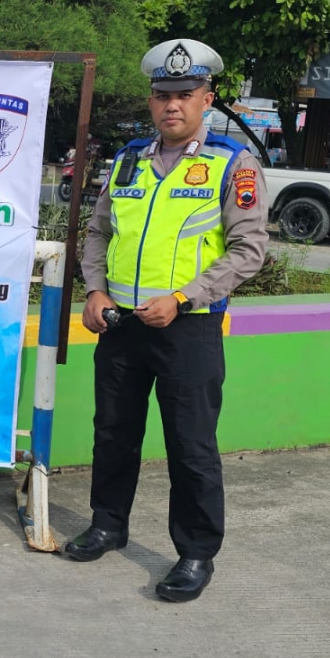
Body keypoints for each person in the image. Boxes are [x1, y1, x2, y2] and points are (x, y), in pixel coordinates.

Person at [66, 39, 269, 603]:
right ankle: (108, 524)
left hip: (189, 329)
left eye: (184, 95)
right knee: (112, 433)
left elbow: (248, 249)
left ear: (207, 98)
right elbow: (101, 232)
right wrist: (95, 290)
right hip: (120, 325)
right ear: (151, 101)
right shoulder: (129, 158)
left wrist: (184, 297)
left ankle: (196, 554)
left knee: (191, 446)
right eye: (162, 96)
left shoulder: (233, 164)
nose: (171, 105)